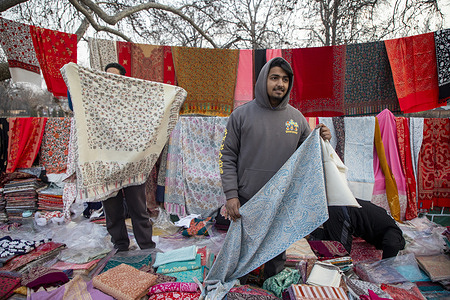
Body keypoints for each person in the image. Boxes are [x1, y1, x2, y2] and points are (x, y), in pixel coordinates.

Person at [219, 57, 332, 281]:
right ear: (263, 80)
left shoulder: (297, 119)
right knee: (240, 254)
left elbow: (308, 158)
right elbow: (227, 155)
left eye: (285, 79)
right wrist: (231, 195)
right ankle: (241, 289)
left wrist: (322, 139)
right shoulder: (240, 116)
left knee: (275, 254)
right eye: (274, 78)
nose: (280, 84)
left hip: (280, 202)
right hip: (247, 199)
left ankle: (272, 286)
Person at [101, 62, 155, 251]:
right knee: (112, 210)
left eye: (115, 77)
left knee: (138, 208)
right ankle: (120, 246)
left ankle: (147, 247)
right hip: (107, 163)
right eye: (107, 76)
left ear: (124, 79)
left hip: (132, 162)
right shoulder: (97, 102)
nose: (111, 81)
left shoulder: (134, 101)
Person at [313, 198, 405, 259]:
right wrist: (385, 265)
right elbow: (391, 245)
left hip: (340, 206)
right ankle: (310, 241)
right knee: (341, 253)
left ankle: (310, 236)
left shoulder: (388, 223)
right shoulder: (394, 231)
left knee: (332, 235)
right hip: (342, 213)